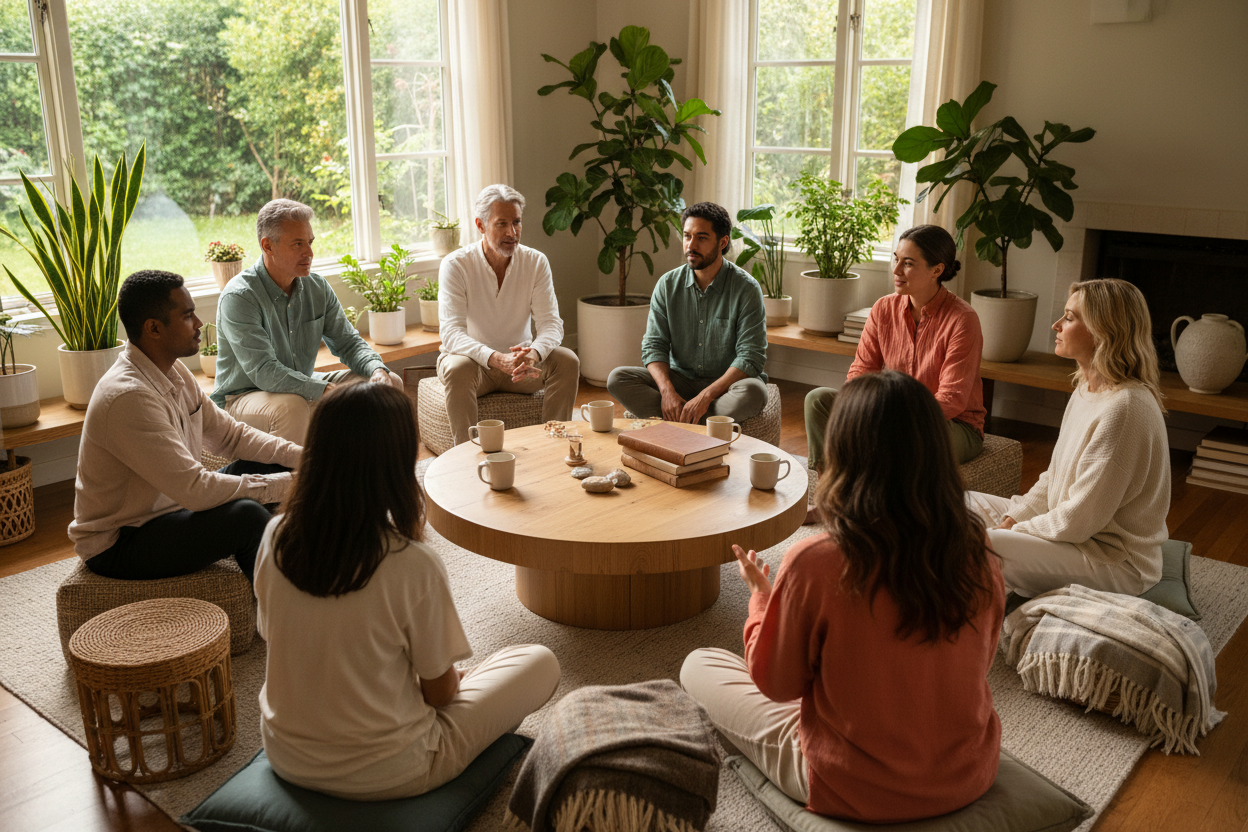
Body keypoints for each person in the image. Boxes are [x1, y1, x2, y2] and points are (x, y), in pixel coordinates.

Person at [681, 370, 1004, 824]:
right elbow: (979, 661)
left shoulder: (816, 561)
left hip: (852, 785)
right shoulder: (979, 550)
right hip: (968, 774)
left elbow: (777, 685)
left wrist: (762, 601)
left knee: (698, 664)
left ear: (843, 453)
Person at [254, 382, 560, 800]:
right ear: (397, 463)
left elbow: (277, 637)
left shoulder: (275, 535)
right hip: (392, 770)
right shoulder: (411, 562)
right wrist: (446, 679)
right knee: (539, 662)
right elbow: (441, 696)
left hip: (286, 755)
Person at [69, 270, 300, 582]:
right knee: (245, 517)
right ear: (154, 328)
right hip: (121, 541)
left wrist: (308, 459)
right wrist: (292, 483)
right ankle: (287, 602)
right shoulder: (128, 397)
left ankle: (317, 559)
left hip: (173, 506)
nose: (200, 323)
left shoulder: (173, 370)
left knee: (270, 465)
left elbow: (231, 437)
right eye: (188, 315)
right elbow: (195, 490)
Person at [966, 278, 1170, 598]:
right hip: (1074, 536)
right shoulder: (1087, 389)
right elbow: (1054, 477)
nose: (1056, 325)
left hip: (1113, 561)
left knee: (985, 545)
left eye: (1070, 317)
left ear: (1103, 331)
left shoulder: (1124, 408)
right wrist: (1013, 518)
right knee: (961, 504)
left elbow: (1077, 521)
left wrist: (1011, 531)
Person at [212, 198, 403, 445]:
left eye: (310, 242)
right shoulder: (240, 296)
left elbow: (348, 343)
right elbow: (264, 372)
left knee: (389, 383)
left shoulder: (317, 287)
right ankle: (298, 473)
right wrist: (324, 391)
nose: (309, 253)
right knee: (292, 406)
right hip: (243, 397)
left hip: (298, 386)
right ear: (268, 246)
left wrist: (376, 369)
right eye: (298, 244)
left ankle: (369, 468)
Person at [804, 224, 985, 469]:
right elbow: (861, 371)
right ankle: (829, 481)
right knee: (818, 400)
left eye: (908, 263)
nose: (896, 270)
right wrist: (859, 408)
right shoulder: (883, 308)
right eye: (896, 259)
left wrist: (892, 417)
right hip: (889, 415)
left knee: (903, 438)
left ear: (937, 270)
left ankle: (868, 474)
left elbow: (951, 399)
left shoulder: (963, 319)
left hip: (949, 425)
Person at [437, 184, 580, 446]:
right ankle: (464, 455)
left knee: (567, 360)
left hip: (521, 366)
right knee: (456, 368)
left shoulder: (536, 262)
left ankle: (553, 444)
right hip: (474, 365)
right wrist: (495, 358)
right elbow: (451, 333)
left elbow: (551, 324)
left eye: (516, 222)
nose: (512, 233)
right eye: (501, 224)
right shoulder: (456, 265)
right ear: (480, 225)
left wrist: (534, 353)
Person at [607, 202, 768, 424]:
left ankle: (677, 423)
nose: (691, 245)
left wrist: (706, 396)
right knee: (618, 378)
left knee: (753, 392)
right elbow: (654, 345)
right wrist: (667, 392)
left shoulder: (746, 289)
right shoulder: (667, 285)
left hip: (726, 386)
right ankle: (706, 423)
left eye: (701, 238)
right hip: (680, 380)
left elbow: (751, 357)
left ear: (722, 242)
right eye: (687, 236)